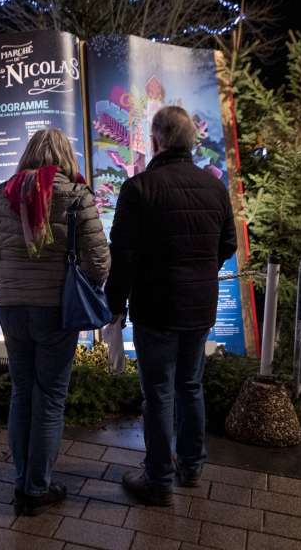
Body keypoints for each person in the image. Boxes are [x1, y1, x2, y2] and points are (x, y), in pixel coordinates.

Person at [0, 128, 110, 516]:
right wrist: (78, 286)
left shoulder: (1, 194)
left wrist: (10, 281)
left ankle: (22, 481)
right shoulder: (77, 196)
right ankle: (37, 487)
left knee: (22, 391)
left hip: (12, 308)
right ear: (66, 155)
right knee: (49, 397)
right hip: (56, 310)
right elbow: (99, 260)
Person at [105, 106, 236, 506]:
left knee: (159, 391)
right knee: (190, 384)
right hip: (198, 307)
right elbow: (228, 244)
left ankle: (159, 479)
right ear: (191, 141)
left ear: (156, 139)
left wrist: (114, 306)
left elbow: (122, 255)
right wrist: (200, 271)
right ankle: (191, 467)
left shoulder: (140, 188)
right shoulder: (214, 187)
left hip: (156, 306)